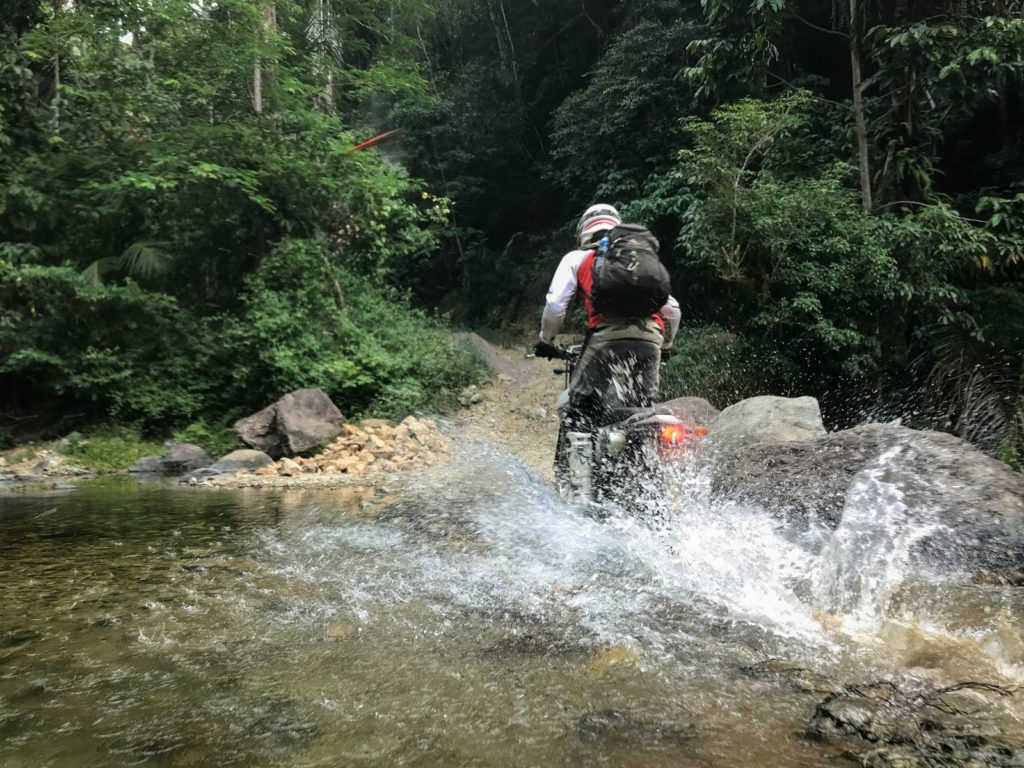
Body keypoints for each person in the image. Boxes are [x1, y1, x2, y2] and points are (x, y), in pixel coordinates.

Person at [535, 204, 681, 432]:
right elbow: (672, 310)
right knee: (642, 407)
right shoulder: (635, 261)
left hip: (606, 338)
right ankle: (644, 463)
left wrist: (546, 341)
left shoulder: (577, 258)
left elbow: (555, 306)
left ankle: (581, 466)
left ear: (583, 232)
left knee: (578, 408)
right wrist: (666, 347)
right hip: (652, 338)